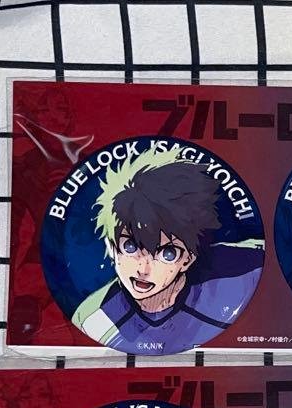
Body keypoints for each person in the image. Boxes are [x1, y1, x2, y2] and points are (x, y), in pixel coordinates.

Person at [72, 147, 263, 353]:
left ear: (188, 258)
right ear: (111, 246)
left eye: (167, 253)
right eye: (130, 246)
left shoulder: (245, 273)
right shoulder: (95, 319)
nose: (143, 269)